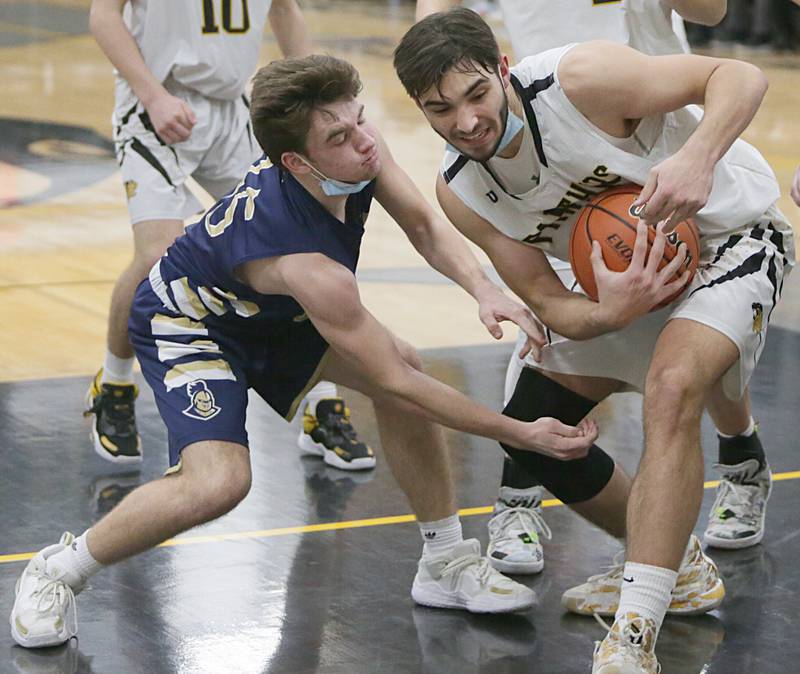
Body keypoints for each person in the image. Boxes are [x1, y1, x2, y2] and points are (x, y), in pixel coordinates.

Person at [10, 54, 600, 650]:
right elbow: (392, 380)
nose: (365, 141)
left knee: (408, 368)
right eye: (339, 136)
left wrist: (484, 291)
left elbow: (423, 225)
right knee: (219, 484)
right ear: (296, 162)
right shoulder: (309, 266)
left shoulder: (358, 156)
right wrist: (519, 434)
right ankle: (58, 571)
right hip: (191, 321)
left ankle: (444, 562)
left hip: (269, 312)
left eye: (360, 120)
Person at [394, 9, 793, 672]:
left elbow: (740, 74)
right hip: (629, 282)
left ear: (501, 71)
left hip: (730, 237)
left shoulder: (580, 80)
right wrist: (610, 313)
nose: (465, 122)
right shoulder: (462, 190)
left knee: (672, 389)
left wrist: (696, 159)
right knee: (529, 427)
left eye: (476, 97)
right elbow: (549, 301)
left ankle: (634, 633)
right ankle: (674, 563)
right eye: (440, 110)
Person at [86, 0, 375, 473]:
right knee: (158, 253)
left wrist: (315, 101)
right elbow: (103, 15)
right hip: (158, 103)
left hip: (233, 109)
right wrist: (154, 95)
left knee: (296, 246)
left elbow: (284, 9)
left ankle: (321, 403)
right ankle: (115, 384)